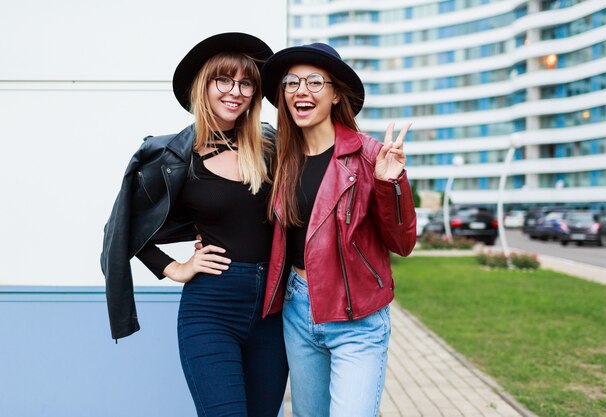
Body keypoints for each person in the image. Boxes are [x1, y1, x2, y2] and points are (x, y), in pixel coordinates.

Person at [100, 32, 288, 417]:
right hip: (211, 310)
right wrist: (174, 268)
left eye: (246, 82)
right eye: (224, 80)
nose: (235, 91)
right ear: (204, 85)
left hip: (274, 310)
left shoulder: (271, 146)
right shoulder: (172, 156)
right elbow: (122, 228)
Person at [259, 43, 417, 417]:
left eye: (315, 82)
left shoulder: (370, 155)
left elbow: (403, 242)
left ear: (335, 95)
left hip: (357, 318)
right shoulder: (280, 158)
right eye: (292, 82)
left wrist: (389, 184)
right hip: (298, 312)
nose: (302, 90)